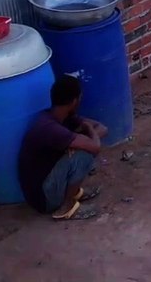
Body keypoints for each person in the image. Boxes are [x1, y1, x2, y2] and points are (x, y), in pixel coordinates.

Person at [17, 75, 106, 220]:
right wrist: (87, 132)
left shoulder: (60, 117)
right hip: (43, 198)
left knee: (81, 148)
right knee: (84, 154)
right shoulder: (50, 128)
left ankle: (74, 192)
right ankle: (67, 206)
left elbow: (103, 128)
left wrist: (82, 138)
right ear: (74, 101)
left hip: (47, 186)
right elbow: (95, 147)